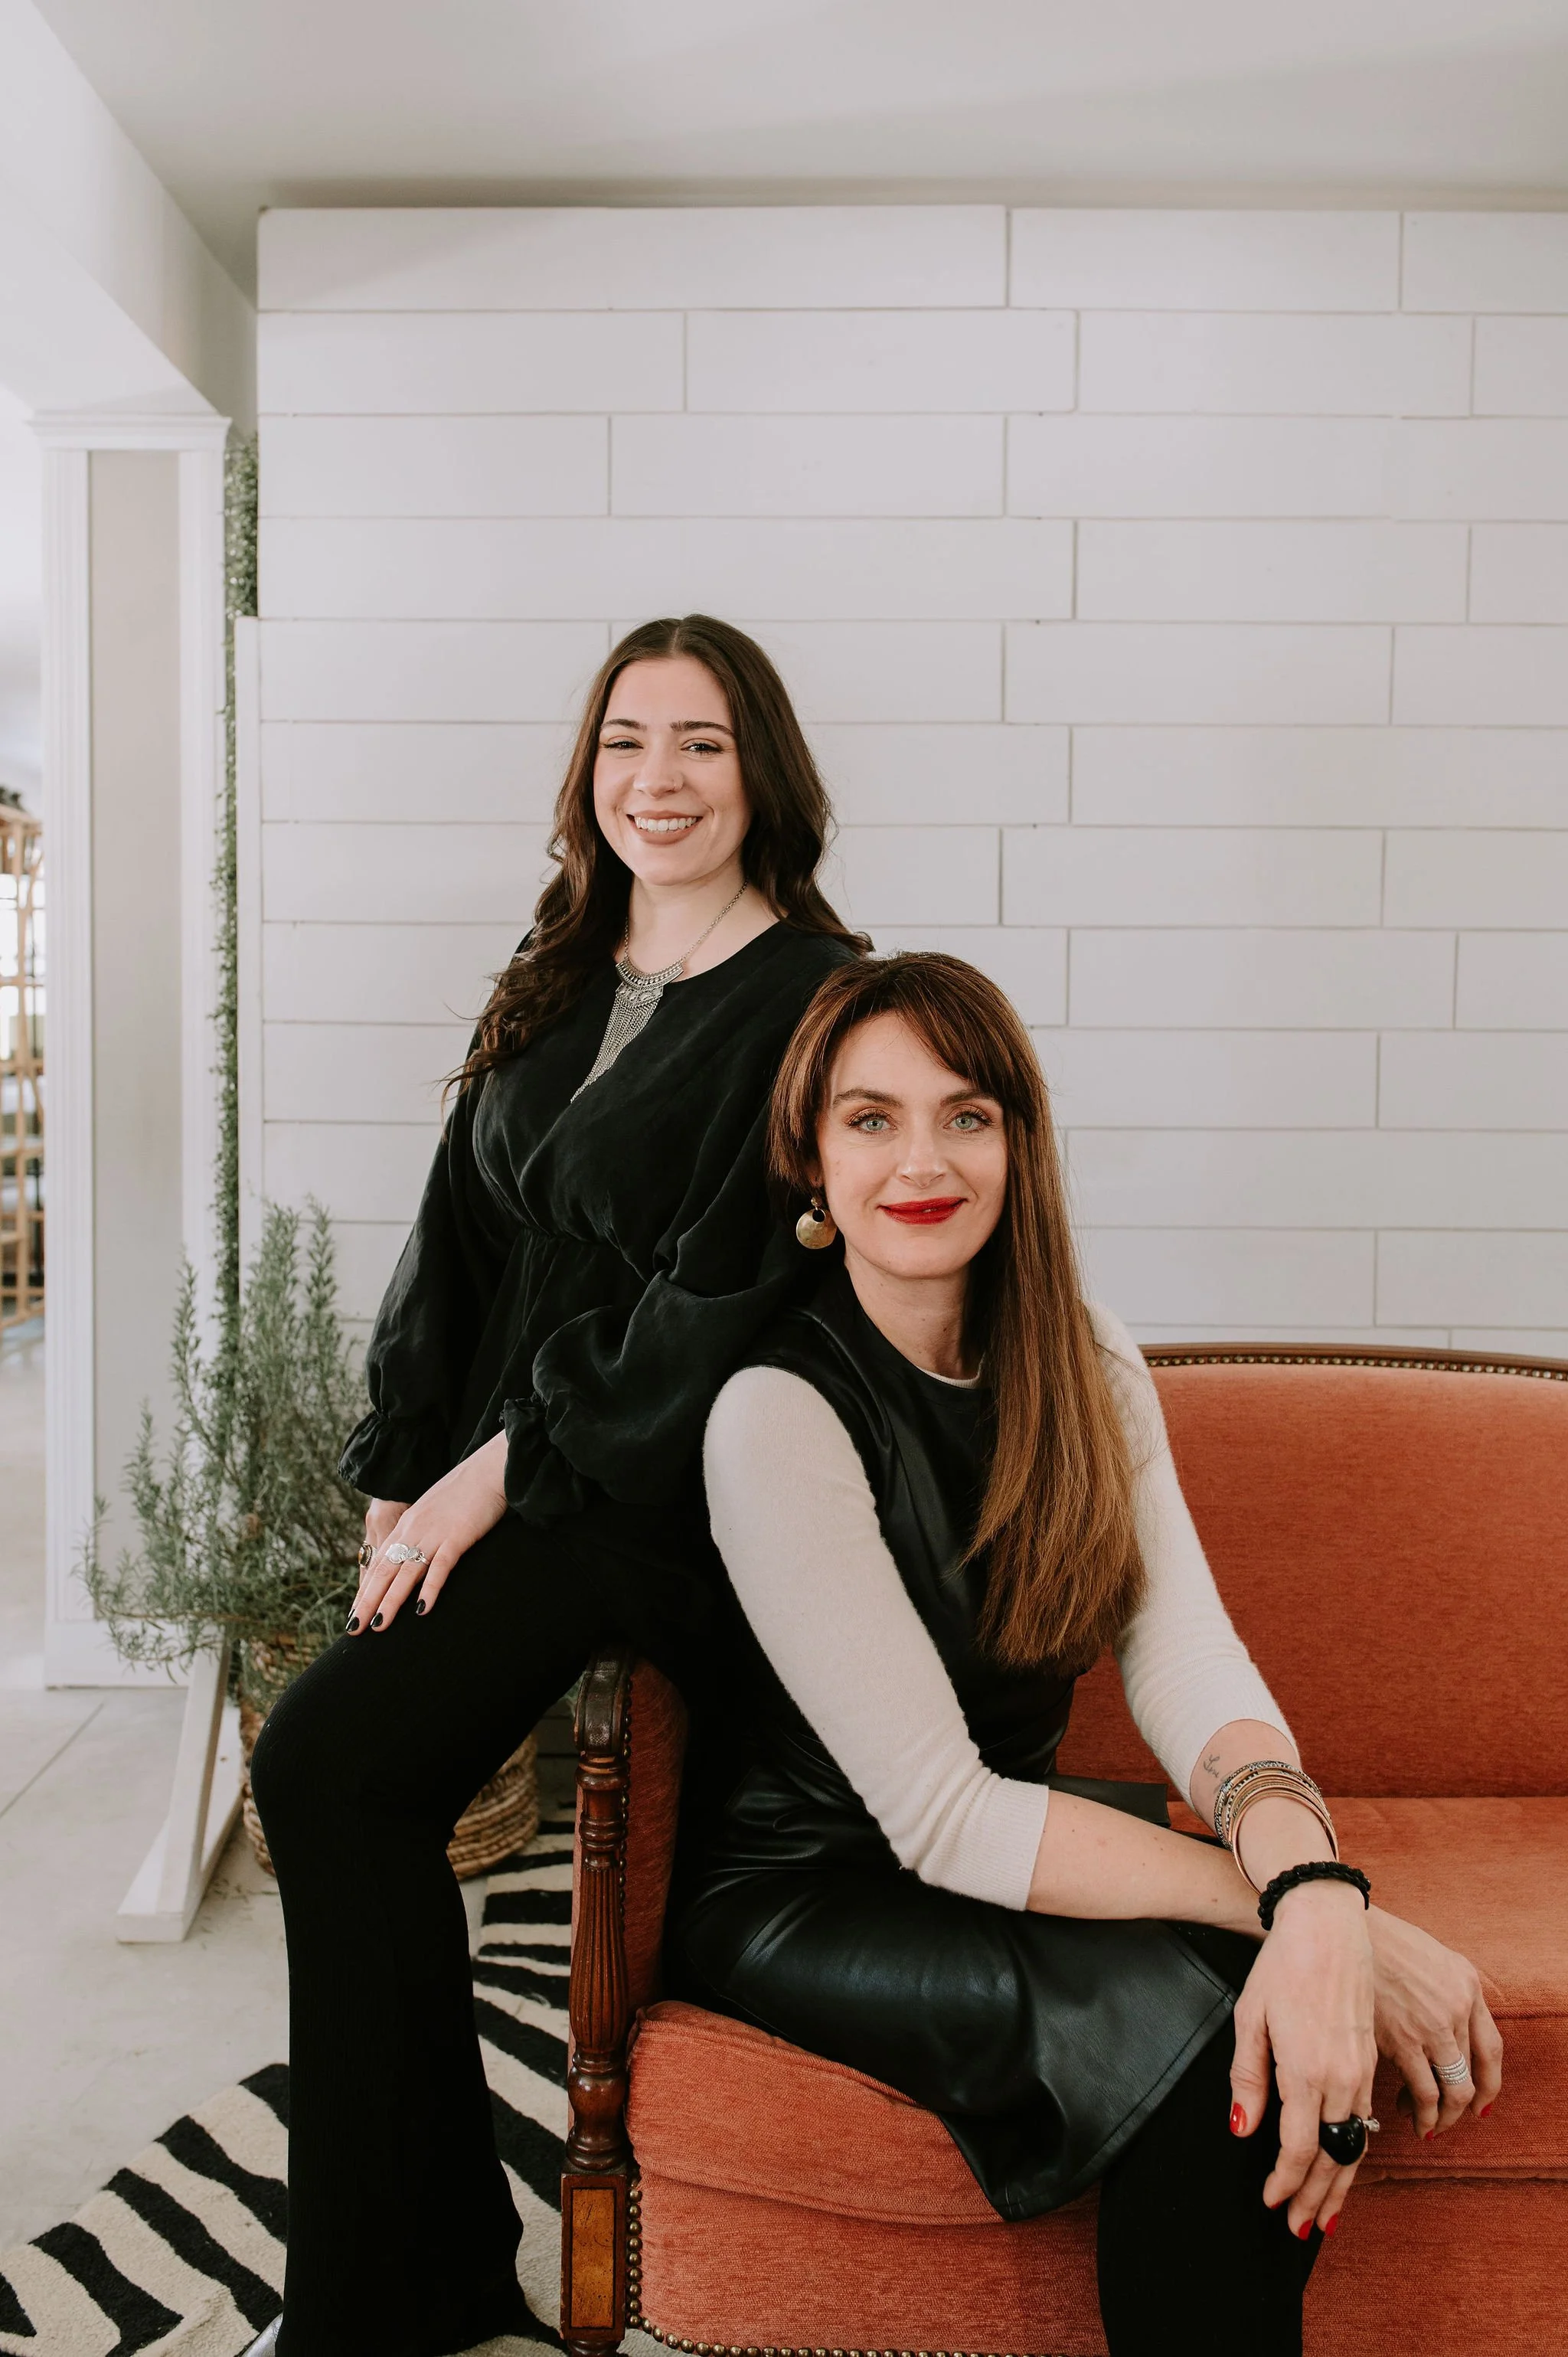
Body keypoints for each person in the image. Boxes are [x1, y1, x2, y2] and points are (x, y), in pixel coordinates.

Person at [674, 952, 1503, 2357]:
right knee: (1209, 2047)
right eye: (871, 1119)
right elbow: (940, 1815)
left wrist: (1303, 1874)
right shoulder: (775, 1411)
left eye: (967, 1114)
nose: (922, 1160)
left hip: (1022, 1846)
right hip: (816, 1886)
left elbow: (1188, 1666)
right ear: (810, 1159)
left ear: (1019, 1143)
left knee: (1260, 2006)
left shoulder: (1089, 1362)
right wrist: (1317, 1912)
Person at [248, 616, 865, 2357]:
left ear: (763, 774)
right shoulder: (564, 962)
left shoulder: (817, 998)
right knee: (346, 1781)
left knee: (322, 1765)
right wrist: (402, 1471)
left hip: (656, 1494)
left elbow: (720, 1300)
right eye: (624, 742)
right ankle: (427, 2269)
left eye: (700, 744)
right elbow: (456, 1228)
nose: (655, 780)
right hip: (514, 1474)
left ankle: (377, 2304)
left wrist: (491, 1479)